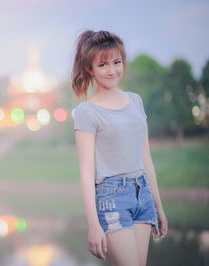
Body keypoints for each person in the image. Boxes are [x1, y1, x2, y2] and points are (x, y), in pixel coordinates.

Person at [71, 30, 168, 266]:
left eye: (117, 62)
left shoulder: (135, 101)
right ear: (89, 68)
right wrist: (94, 225)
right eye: (103, 64)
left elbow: (145, 158)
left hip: (142, 193)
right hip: (111, 197)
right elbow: (86, 172)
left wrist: (159, 206)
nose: (112, 70)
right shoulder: (87, 112)